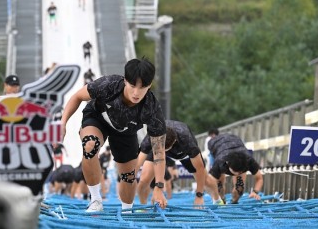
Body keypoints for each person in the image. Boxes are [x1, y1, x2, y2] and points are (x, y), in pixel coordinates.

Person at [61, 57, 167, 213]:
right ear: (125, 81)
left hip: (126, 132)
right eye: (132, 86)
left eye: (143, 87)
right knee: (90, 145)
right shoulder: (108, 85)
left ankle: (126, 211)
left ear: (149, 85)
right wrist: (63, 123)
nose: (136, 93)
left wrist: (159, 186)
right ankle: (96, 200)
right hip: (98, 118)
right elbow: (77, 96)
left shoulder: (151, 108)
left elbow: (159, 151)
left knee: (129, 176)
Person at [136, 120, 224, 208]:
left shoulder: (186, 141)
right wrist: (128, 178)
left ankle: (217, 199)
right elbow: (137, 163)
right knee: (143, 181)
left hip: (183, 155)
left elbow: (200, 168)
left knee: (206, 180)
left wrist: (199, 195)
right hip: (157, 148)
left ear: (173, 143)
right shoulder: (153, 136)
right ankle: (143, 206)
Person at [208, 133, 263, 204]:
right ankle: (223, 200)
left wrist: (255, 192)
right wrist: (217, 198)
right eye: (236, 172)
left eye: (241, 172)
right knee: (219, 185)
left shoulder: (249, 161)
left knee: (239, 187)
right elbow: (210, 182)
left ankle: (234, 201)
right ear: (228, 165)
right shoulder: (220, 162)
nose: (238, 174)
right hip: (216, 145)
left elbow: (259, 178)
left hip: (235, 141)